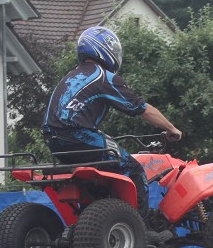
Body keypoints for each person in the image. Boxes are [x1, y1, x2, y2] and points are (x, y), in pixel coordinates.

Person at [42, 26, 182, 220]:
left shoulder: (72, 75)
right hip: (77, 135)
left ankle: (95, 217)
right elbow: (142, 109)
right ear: (104, 49)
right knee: (134, 170)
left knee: (101, 175)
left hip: (54, 140)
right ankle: (139, 228)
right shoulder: (103, 77)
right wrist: (171, 128)